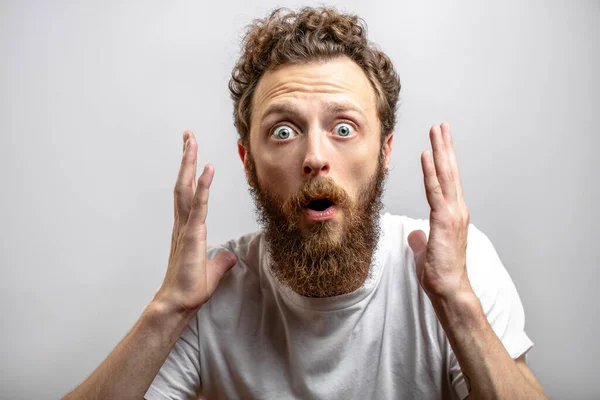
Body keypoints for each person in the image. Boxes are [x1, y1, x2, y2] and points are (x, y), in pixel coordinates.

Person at [62, 7, 548, 400]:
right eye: (283, 131)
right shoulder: (211, 292)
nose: (315, 157)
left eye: (343, 128)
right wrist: (167, 310)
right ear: (247, 161)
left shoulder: (459, 267)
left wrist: (457, 304)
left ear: (385, 152)